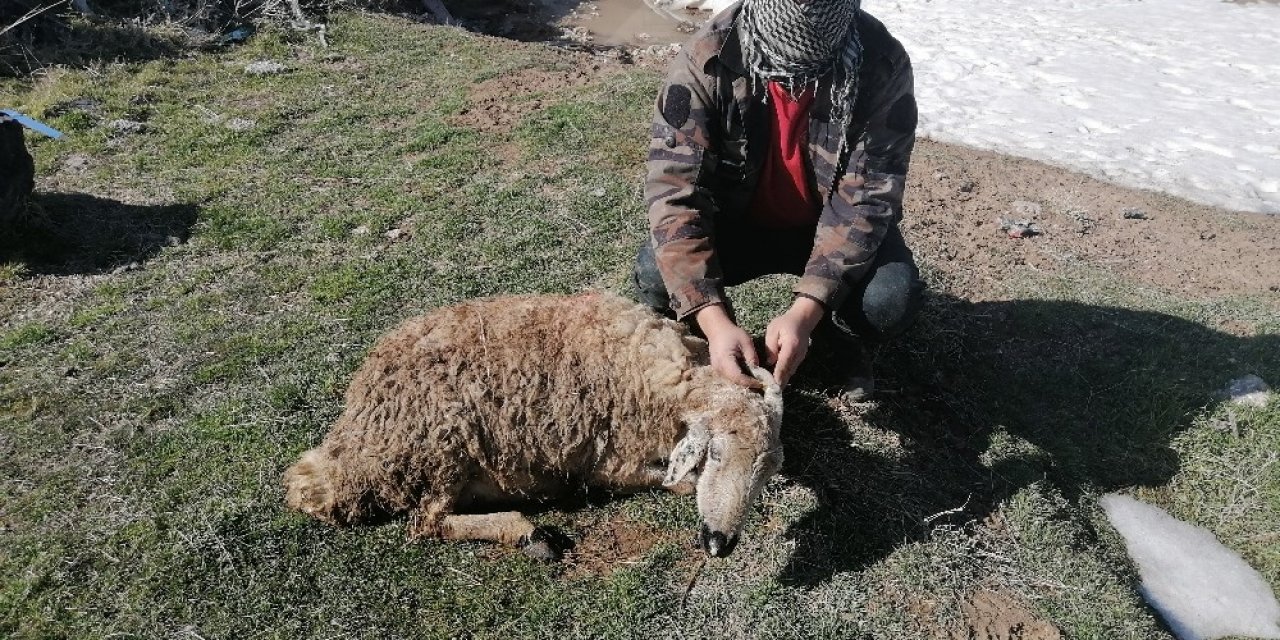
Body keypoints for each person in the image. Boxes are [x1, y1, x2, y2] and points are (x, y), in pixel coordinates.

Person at [632, 0, 925, 399]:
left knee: (889, 299)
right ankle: (716, 343)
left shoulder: (880, 63)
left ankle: (834, 337)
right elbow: (674, 192)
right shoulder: (707, 58)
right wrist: (714, 321)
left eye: (811, 72)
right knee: (655, 273)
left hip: (828, 228)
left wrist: (806, 312)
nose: (796, 82)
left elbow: (868, 199)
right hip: (736, 222)